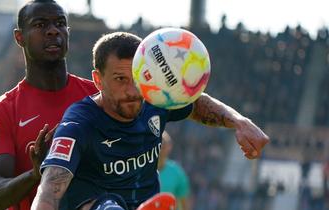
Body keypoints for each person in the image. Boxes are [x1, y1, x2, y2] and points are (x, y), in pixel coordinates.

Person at [31, 32, 269, 210]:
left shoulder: (154, 97)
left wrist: (239, 122)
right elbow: (51, 187)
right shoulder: (79, 122)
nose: (131, 90)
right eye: (119, 79)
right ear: (97, 79)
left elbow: (195, 102)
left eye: (136, 77)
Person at [0, 0, 98, 210]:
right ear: (19, 37)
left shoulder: (97, 97)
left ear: (67, 32)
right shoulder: (0, 112)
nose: (53, 31)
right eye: (40, 25)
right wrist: (36, 173)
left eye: (60, 23)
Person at [158, 131, 191, 210]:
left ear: (170, 147)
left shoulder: (177, 172)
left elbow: (185, 203)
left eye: (164, 146)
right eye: (160, 145)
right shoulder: (143, 170)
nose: (162, 149)